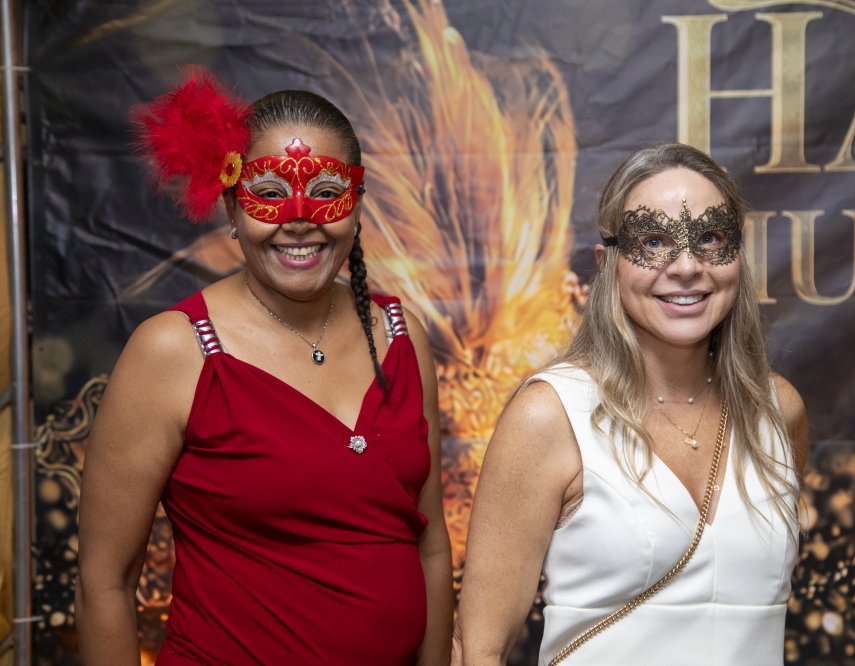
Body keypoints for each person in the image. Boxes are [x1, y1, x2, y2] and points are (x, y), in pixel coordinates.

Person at [75, 70, 453, 665]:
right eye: (269, 194)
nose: (298, 219)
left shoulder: (399, 335)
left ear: (356, 205)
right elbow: (104, 583)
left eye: (325, 191)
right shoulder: (174, 351)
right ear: (232, 205)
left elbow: (429, 546)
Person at [454, 143, 809, 666]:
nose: (686, 266)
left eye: (710, 238)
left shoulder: (779, 410)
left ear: (738, 254)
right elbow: (478, 649)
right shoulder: (551, 415)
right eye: (653, 241)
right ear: (608, 264)